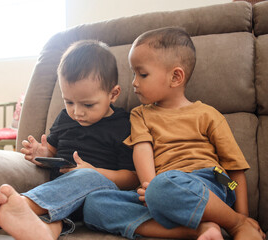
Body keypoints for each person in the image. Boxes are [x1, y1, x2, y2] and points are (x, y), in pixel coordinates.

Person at [82, 27, 266, 240]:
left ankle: (234, 224)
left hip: (212, 178)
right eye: (133, 73)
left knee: (170, 185)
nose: (134, 81)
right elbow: (142, 150)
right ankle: (202, 229)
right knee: (94, 205)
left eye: (142, 74)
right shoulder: (140, 114)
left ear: (176, 77)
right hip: (160, 190)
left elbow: (233, 168)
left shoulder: (208, 114)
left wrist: (242, 215)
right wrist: (149, 188)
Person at [0, 40, 139, 240]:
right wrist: (42, 153)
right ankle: (42, 233)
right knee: (55, 215)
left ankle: (20, 204)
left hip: (100, 193)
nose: (77, 112)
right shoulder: (65, 118)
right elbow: (53, 151)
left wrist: (94, 172)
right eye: (69, 101)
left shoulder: (123, 125)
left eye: (88, 105)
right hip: (62, 198)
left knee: (86, 179)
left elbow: (132, 177)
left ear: (113, 94)